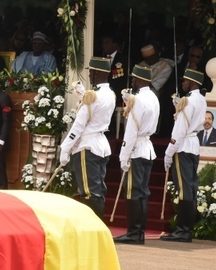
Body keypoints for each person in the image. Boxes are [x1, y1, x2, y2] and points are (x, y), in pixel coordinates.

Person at [59, 57, 116, 219]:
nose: (89, 75)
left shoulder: (92, 97)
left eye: (91, 71)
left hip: (87, 147)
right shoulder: (109, 94)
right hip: (100, 146)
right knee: (98, 190)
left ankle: (94, 228)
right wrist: (84, 98)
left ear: (97, 73)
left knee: (89, 192)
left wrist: (65, 148)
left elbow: (78, 126)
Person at [113, 65, 160, 244]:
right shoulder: (153, 97)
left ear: (139, 80)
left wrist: (123, 156)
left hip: (137, 150)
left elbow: (131, 131)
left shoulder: (138, 99)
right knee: (142, 192)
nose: (132, 81)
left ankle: (134, 232)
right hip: (146, 148)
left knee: (133, 192)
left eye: (134, 78)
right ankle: (138, 232)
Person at [162, 69, 207, 243]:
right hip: (193, 145)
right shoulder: (201, 99)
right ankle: (186, 229)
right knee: (190, 188)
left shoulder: (188, 101)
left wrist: (168, 153)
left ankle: (182, 230)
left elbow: (179, 130)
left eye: (185, 81)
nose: (182, 83)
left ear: (192, 83)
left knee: (184, 190)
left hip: (183, 146)